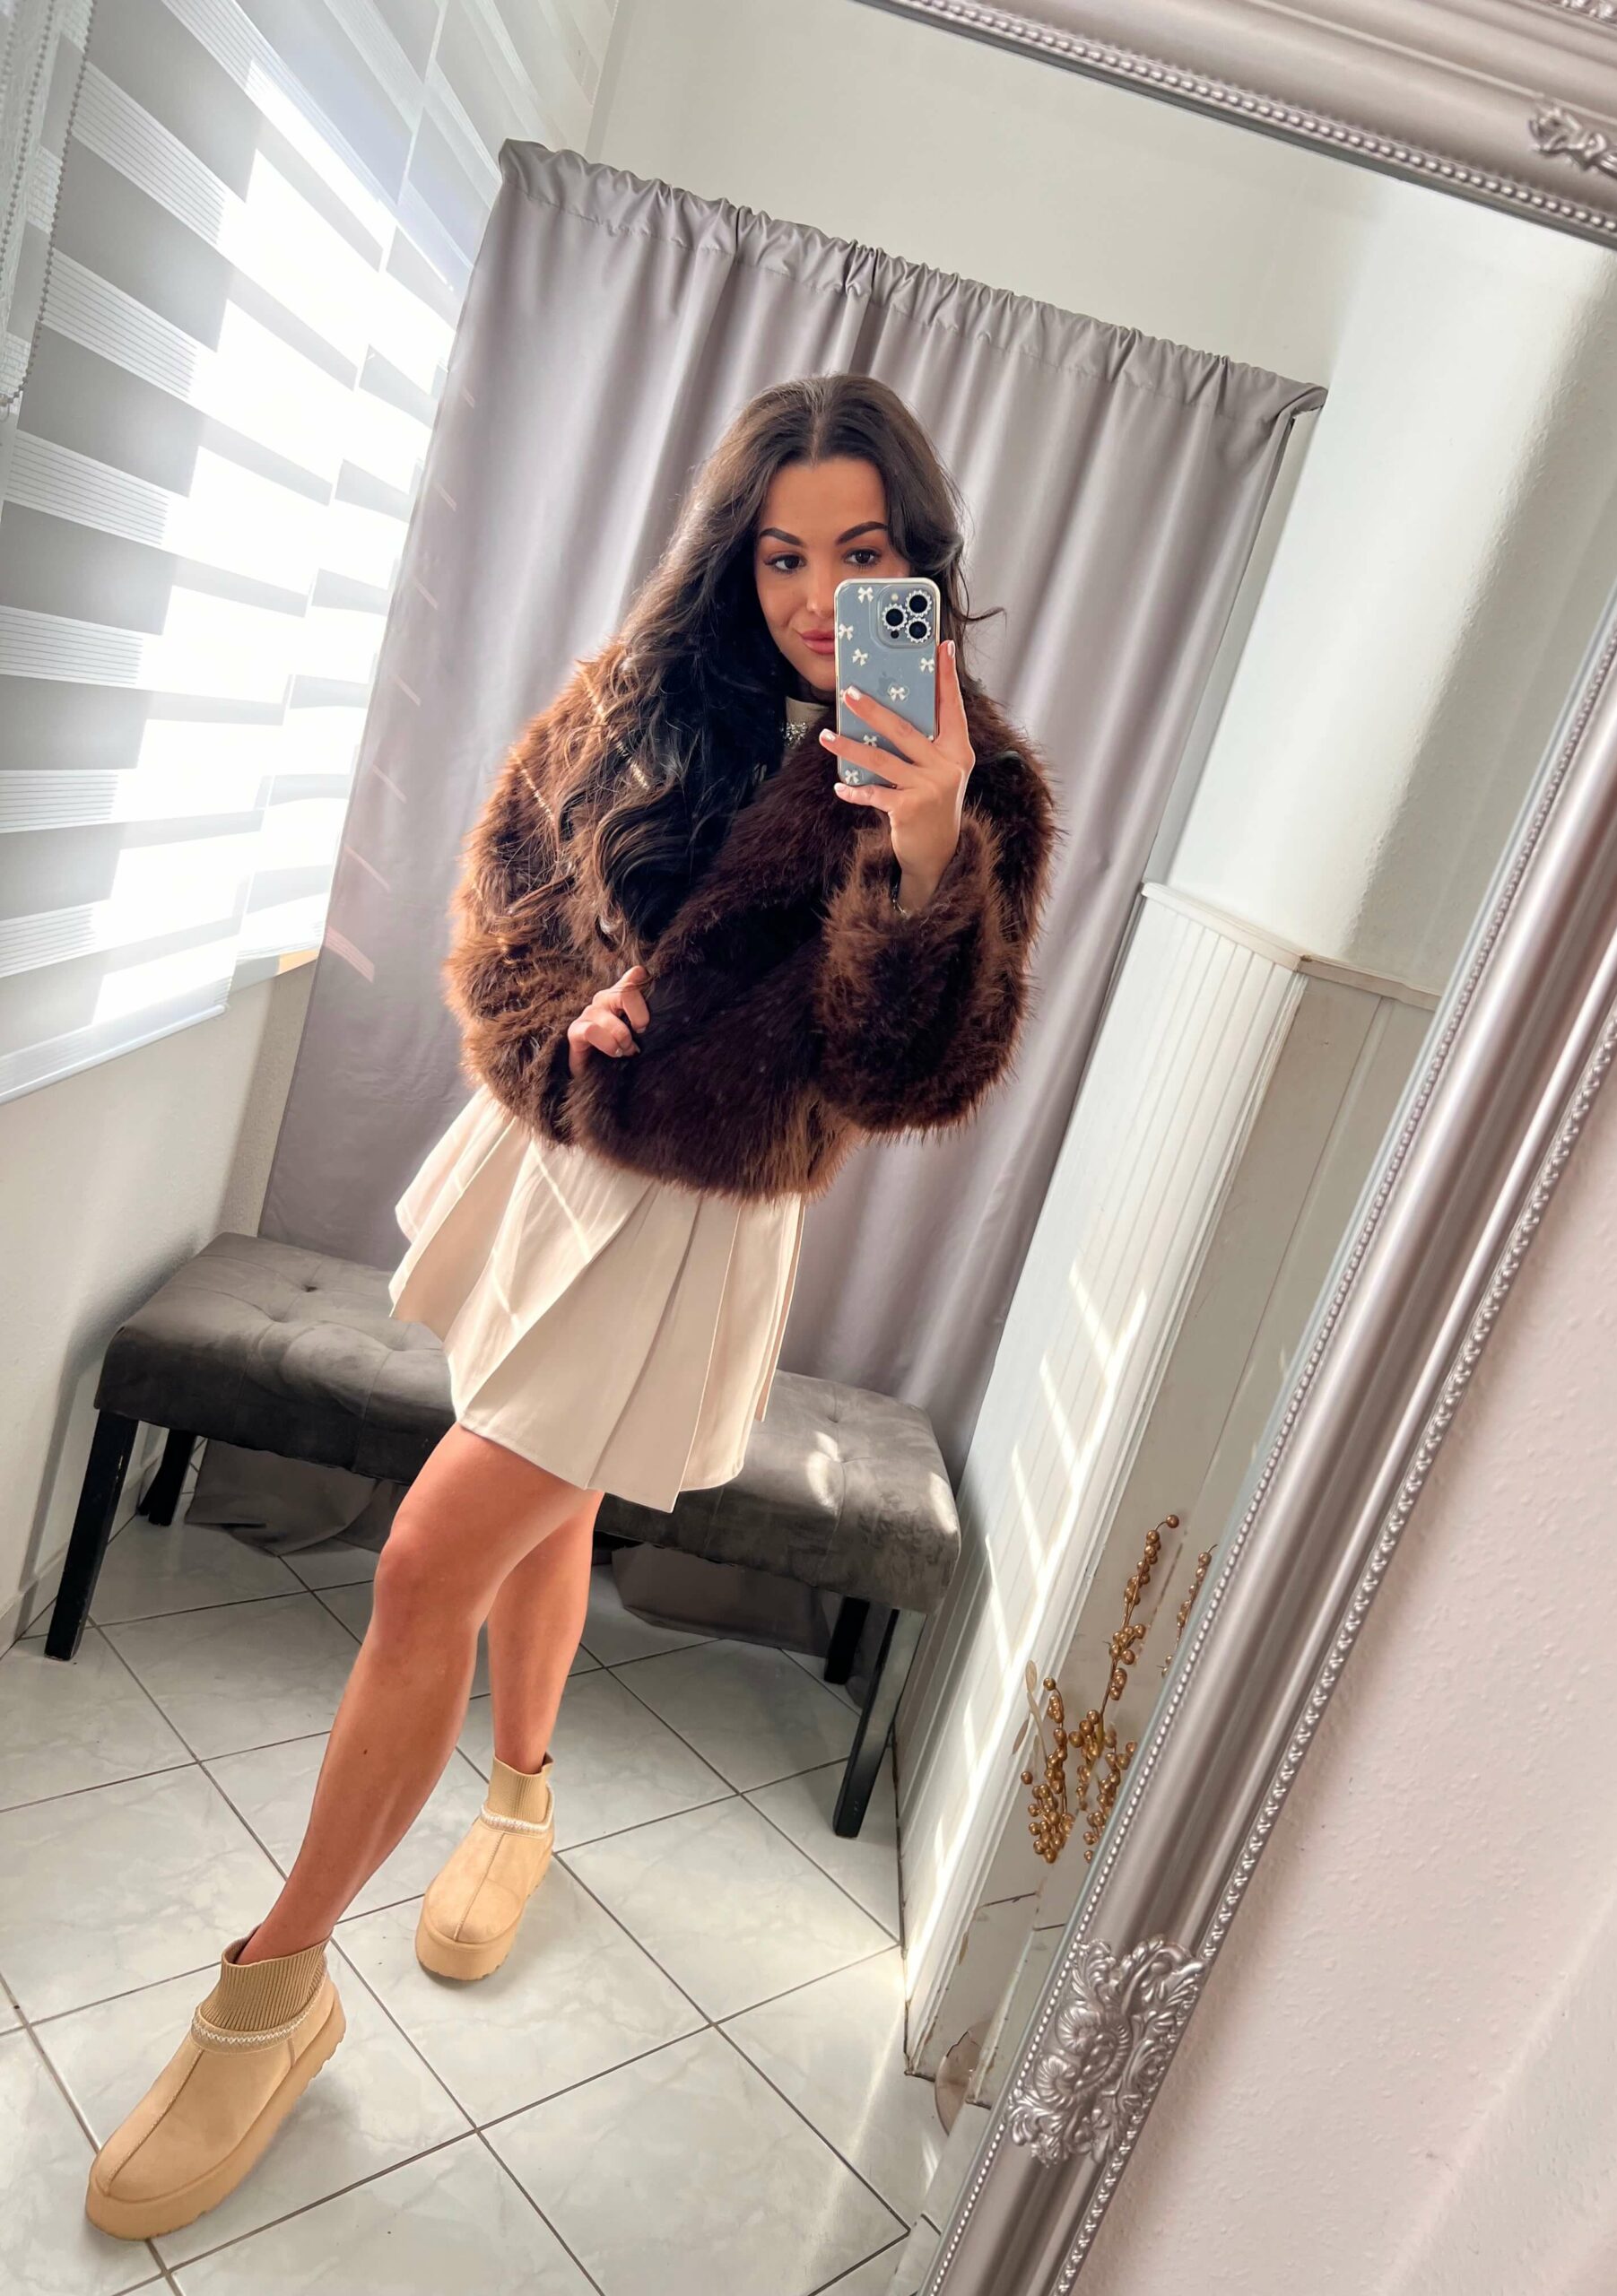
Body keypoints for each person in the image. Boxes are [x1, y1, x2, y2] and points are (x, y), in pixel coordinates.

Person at [83, 371, 1058, 2241]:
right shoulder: (646, 688)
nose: (815, 594)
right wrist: (575, 1008)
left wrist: (929, 845)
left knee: (422, 1562)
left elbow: (911, 1071)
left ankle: (272, 1992)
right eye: (782, 554)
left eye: (860, 553)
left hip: (689, 1220)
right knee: (546, 1500)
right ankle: (521, 1798)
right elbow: (508, 884)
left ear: (921, 561)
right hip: (547, 1152)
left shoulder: (969, 769)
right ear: (735, 554)